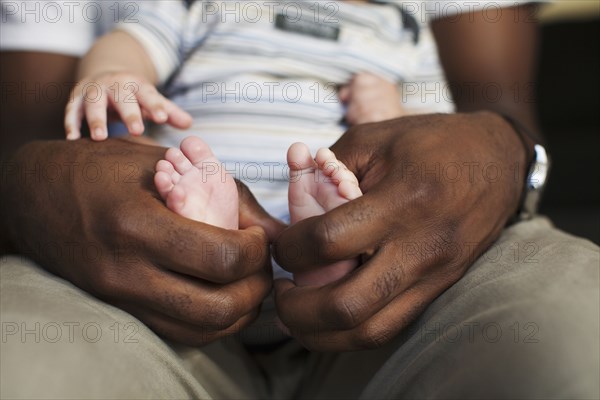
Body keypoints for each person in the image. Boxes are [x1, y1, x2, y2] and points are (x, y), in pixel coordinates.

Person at [1, 1, 598, 399]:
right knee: (185, 172)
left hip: (334, 204)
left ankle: (325, 259)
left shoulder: (397, 30)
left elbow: (446, 128)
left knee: (350, 202)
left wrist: (392, 113)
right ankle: (203, 217)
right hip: (206, 212)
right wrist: (116, 80)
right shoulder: (202, 9)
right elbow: (130, 44)